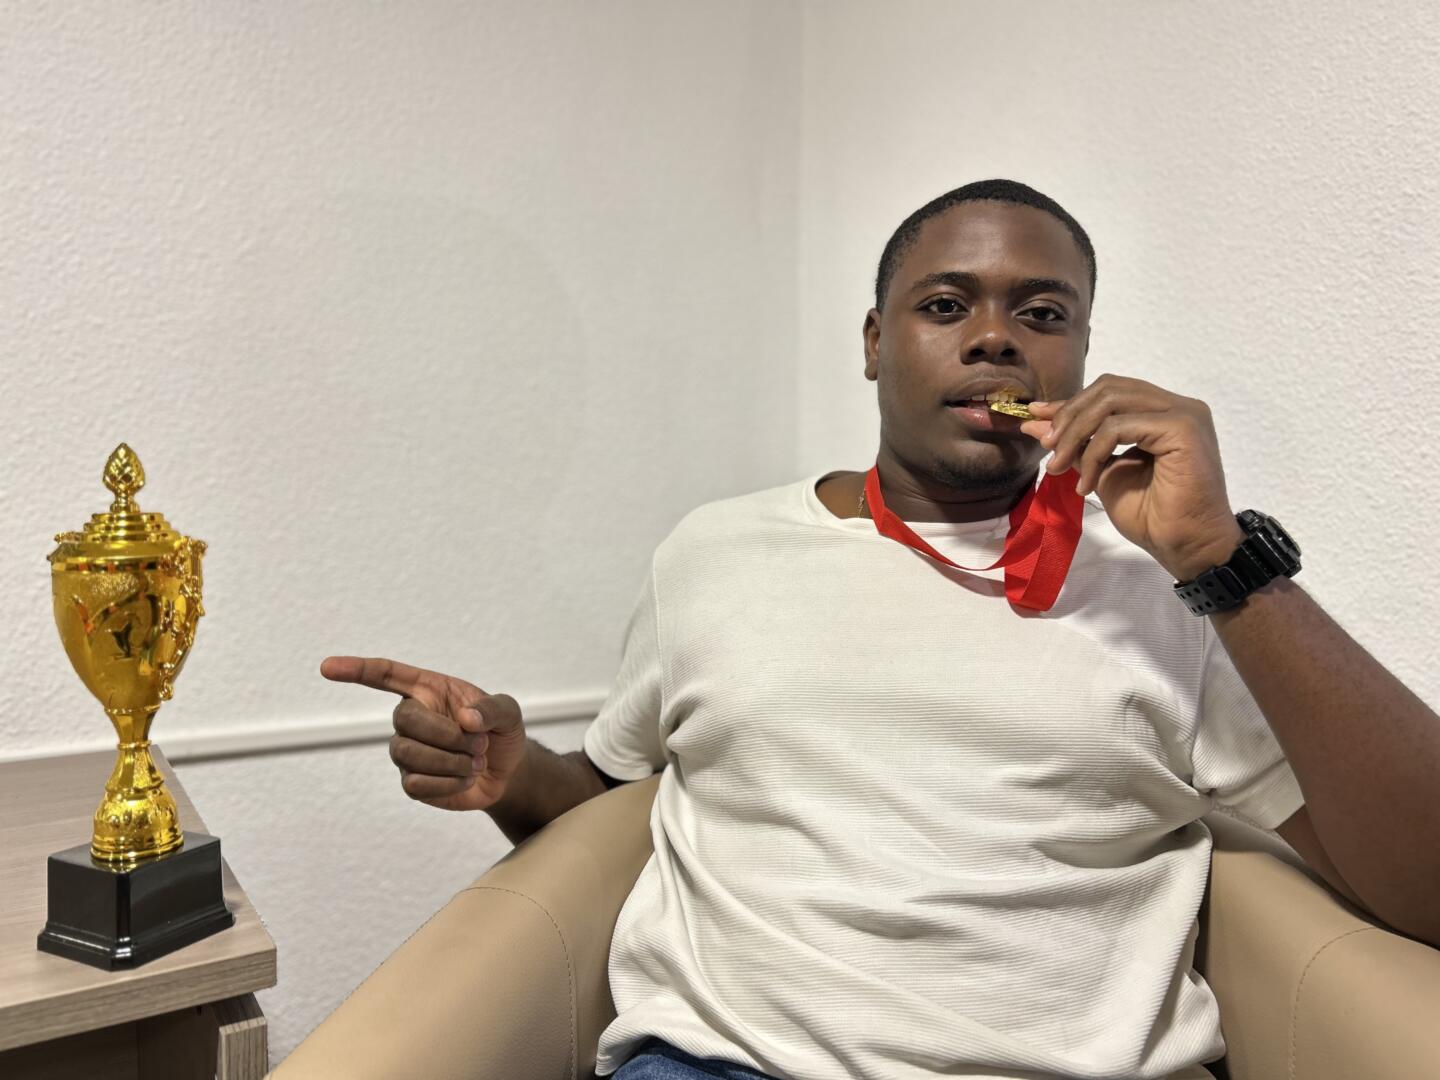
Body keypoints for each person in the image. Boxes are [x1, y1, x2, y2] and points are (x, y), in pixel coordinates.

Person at [318, 179, 1439, 1080]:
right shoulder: (715, 552)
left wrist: (1218, 556)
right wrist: (510, 773)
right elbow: (607, 801)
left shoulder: (1173, 588)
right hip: (727, 1064)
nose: (995, 340)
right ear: (873, 342)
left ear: (1084, 354)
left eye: (1042, 314)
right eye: (946, 306)